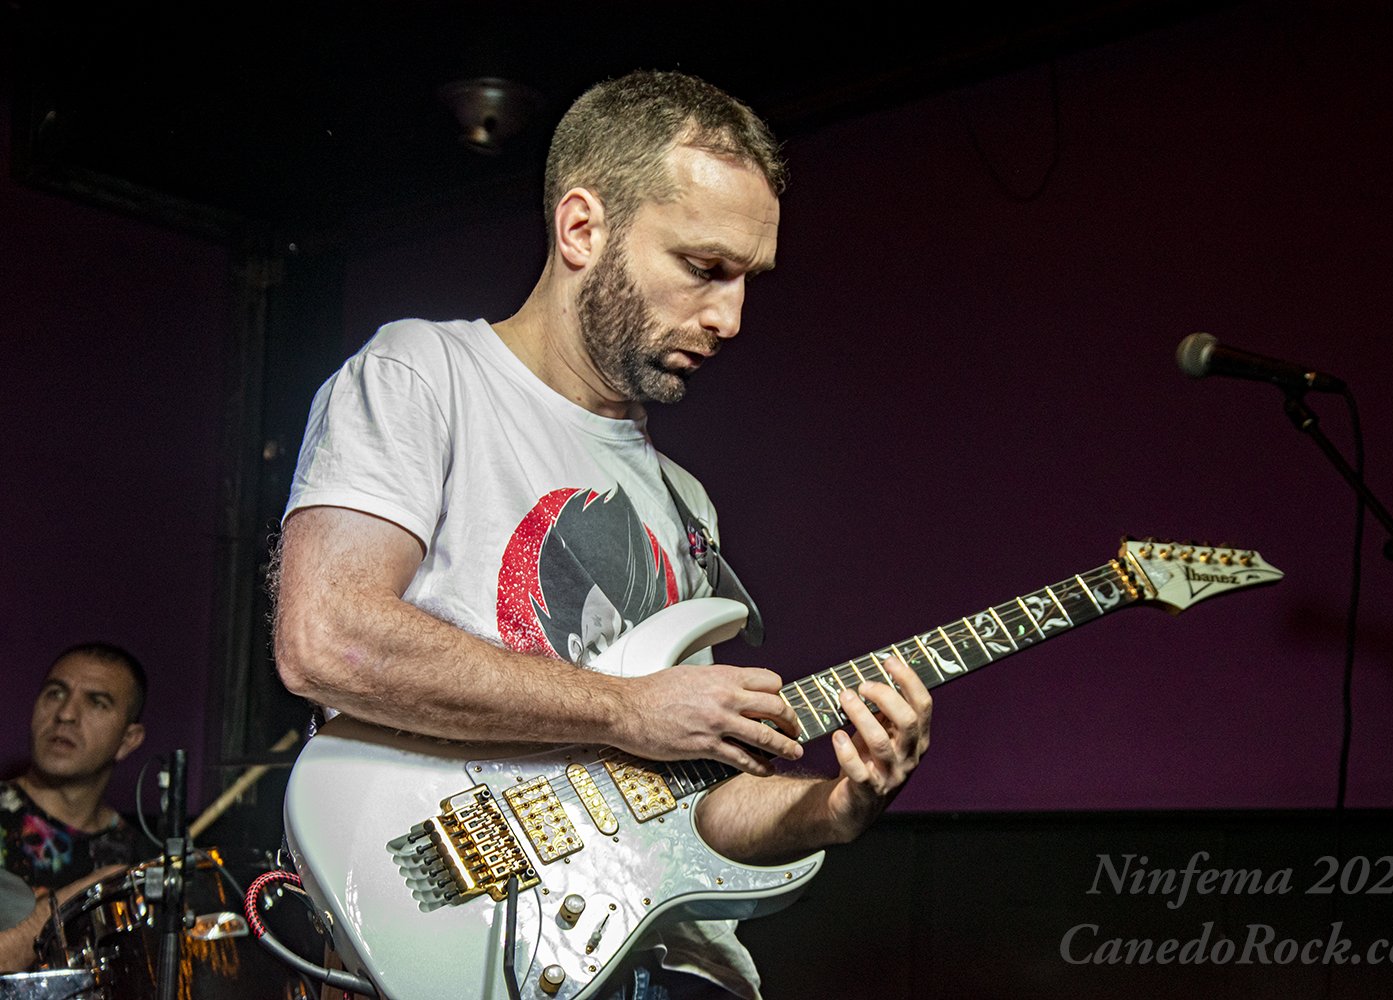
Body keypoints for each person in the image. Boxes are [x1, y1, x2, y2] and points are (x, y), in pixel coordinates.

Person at [273, 70, 933, 999]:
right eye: (705, 268)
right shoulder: (425, 373)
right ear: (582, 228)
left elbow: (689, 802)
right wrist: (627, 709)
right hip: (471, 936)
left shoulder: (684, 502)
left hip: (655, 963)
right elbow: (327, 639)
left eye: (749, 281)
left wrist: (837, 807)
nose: (732, 317)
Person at [0, 642, 151, 971]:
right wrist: (81, 898)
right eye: (55, 693)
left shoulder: (139, 858)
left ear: (128, 740)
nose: (65, 714)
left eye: (97, 702)